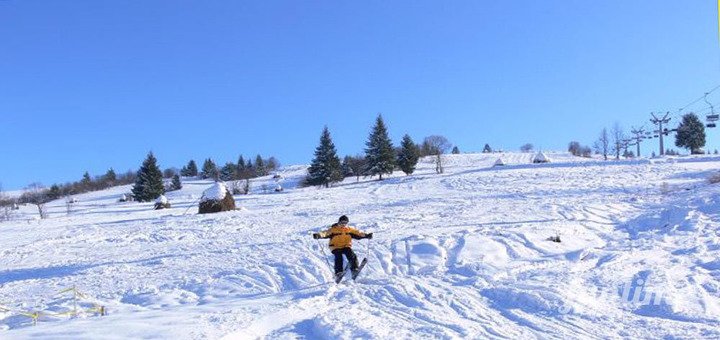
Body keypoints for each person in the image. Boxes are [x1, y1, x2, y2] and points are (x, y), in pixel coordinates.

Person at [313, 215, 373, 280]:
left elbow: (358, 233)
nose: (343, 224)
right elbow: (325, 233)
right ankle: (338, 272)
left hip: (346, 246)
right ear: (339, 222)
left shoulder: (349, 230)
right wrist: (318, 235)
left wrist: (366, 235)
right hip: (335, 247)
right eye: (342, 223)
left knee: (352, 255)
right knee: (338, 257)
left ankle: (354, 269)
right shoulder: (333, 229)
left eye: (345, 223)